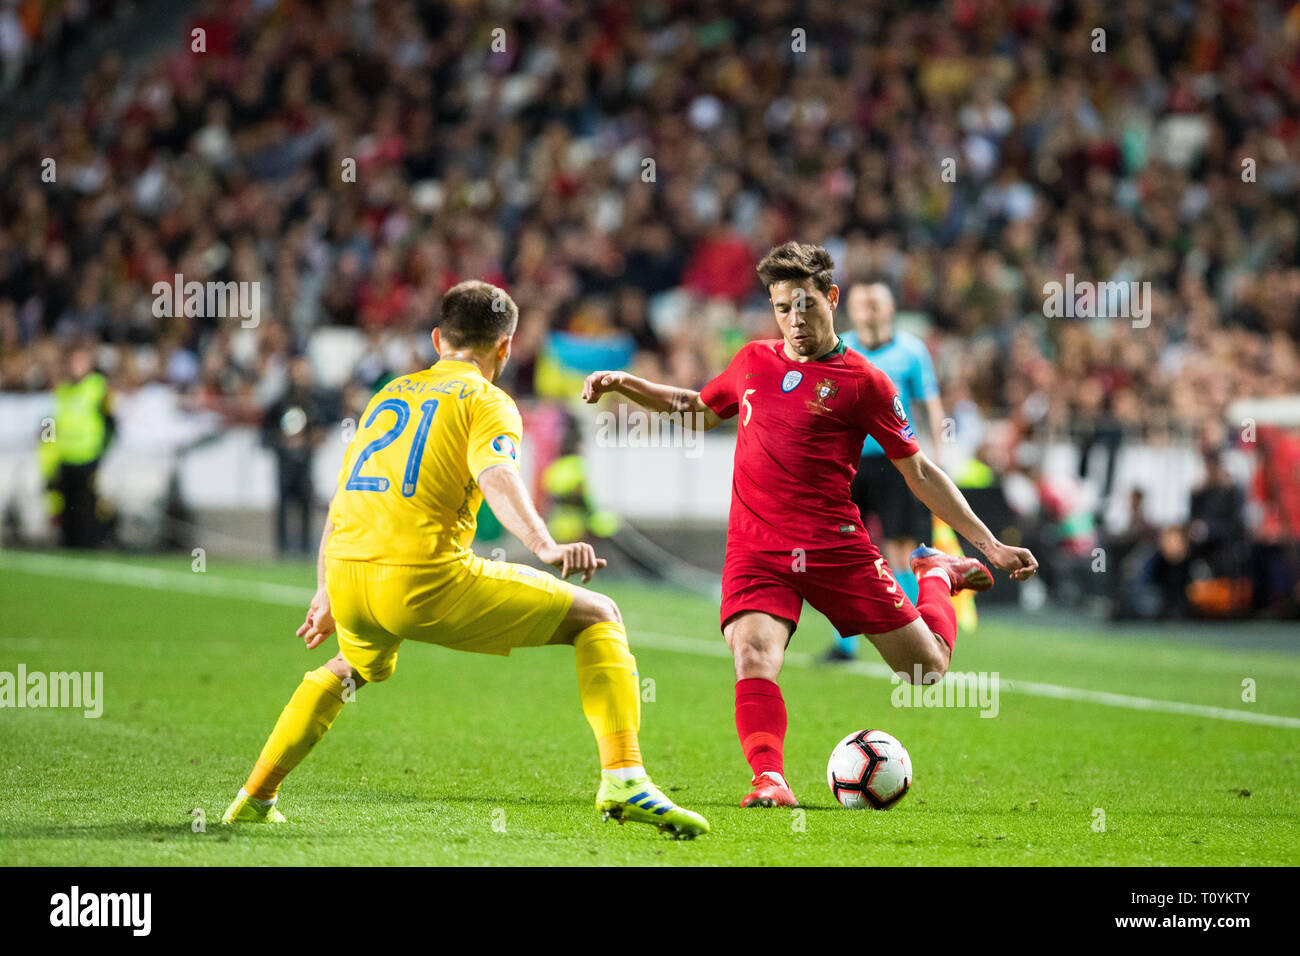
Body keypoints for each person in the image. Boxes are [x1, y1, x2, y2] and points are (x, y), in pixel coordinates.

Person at [221, 281, 707, 838]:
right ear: (505, 348)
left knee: (349, 669)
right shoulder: (487, 401)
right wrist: (544, 544)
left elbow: (341, 500)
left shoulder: (390, 394)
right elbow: (497, 475)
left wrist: (325, 591)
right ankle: (624, 777)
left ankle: (255, 796)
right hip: (423, 580)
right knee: (599, 615)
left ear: (436, 339)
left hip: (349, 573)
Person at [582, 242, 1037, 808]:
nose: (795, 320)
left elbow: (918, 471)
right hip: (756, 548)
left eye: (806, 305)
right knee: (752, 654)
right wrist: (627, 383)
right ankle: (768, 778)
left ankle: (937, 574)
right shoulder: (753, 361)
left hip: (834, 549)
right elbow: (696, 406)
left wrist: (989, 543)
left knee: (926, 674)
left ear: (832, 298)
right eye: (782, 308)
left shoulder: (864, 383)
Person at [827, 282, 947, 661]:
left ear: (890, 308)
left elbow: (930, 404)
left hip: (896, 461)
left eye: (876, 303)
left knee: (900, 549)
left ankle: (910, 638)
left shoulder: (912, 351)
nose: (869, 310)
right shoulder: (838, 346)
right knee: (839, 549)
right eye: (862, 304)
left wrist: (938, 455)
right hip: (847, 462)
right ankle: (845, 645)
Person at [46, 345, 115, 548]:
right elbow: (51, 424)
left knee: (88, 507)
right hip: (65, 457)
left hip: (90, 456)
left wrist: (104, 451)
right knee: (67, 507)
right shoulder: (62, 391)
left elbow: (110, 421)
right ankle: (69, 545)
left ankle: (91, 545)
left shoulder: (98, 387)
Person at [262, 355, 328, 556]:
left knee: (306, 505)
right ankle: (282, 549)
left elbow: (321, 430)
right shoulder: (279, 403)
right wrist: (282, 443)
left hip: (305, 461)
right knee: (283, 505)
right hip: (285, 462)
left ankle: (305, 549)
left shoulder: (314, 402)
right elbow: (266, 432)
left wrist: (309, 441)